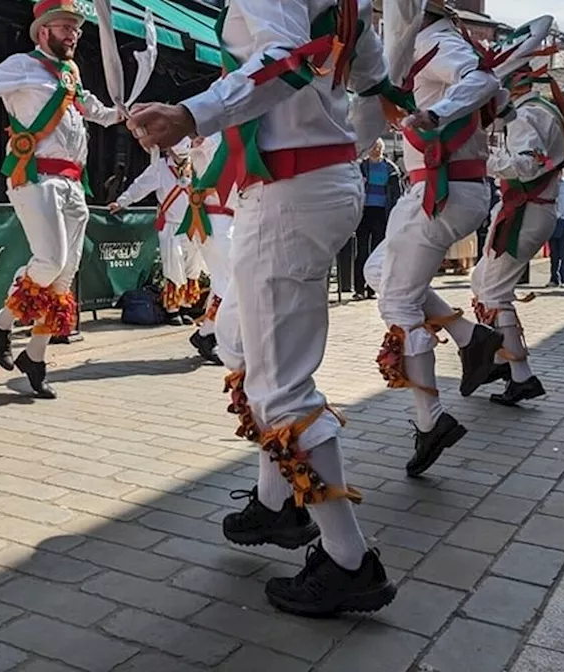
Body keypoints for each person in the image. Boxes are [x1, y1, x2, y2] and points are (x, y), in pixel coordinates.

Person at [126, 0, 397, 618]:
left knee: (282, 389)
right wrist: (337, 151)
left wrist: (191, 114)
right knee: (239, 342)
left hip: (288, 192)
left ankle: (349, 560)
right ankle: (277, 504)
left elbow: (286, 61)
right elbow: (376, 87)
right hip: (297, 185)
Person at [0, 0, 122, 400]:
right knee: (49, 261)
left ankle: (34, 357)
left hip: (73, 184)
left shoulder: (71, 74)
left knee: (64, 277)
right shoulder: (22, 65)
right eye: (66, 27)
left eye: (77, 29)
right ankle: (1, 322)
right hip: (34, 177)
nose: (74, 35)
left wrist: (124, 113)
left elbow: (95, 112)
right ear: (44, 30)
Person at [361, 0, 506, 477]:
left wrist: (436, 113)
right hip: (433, 189)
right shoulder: (425, 45)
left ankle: (431, 422)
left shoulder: (437, 42)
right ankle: (471, 338)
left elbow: (485, 82)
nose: (383, 19)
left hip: (444, 189)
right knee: (378, 270)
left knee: (398, 303)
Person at [470, 32, 564, 408]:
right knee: (482, 280)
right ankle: (500, 359)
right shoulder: (537, 111)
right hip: (528, 209)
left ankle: (521, 374)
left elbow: (526, 166)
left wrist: (484, 160)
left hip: (526, 211)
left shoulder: (530, 114)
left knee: (494, 291)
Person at [109, 143, 197, 326]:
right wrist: (121, 202)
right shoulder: (160, 167)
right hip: (171, 224)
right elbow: (140, 186)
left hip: (194, 224)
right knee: (174, 263)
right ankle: (173, 309)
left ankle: (187, 305)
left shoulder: (197, 163)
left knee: (192, 264)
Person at [183, 132, 237, 365]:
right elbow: (189, 146)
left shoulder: (230, 138)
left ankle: (207, 334)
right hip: (215, 222)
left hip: (227, 220)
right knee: (229, 282)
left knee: (225, 281)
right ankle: (210, 335)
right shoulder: (212, 139)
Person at [355, 138, 401, 299]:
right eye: (373, 146)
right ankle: (359, 288)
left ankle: (372, 289)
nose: (375, 149)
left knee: (377, 251)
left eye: (378, 147)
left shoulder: (390, 168)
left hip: (382, 212)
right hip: (364, 212)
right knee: (361, 250)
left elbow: (396, 194)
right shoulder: (362, 167)